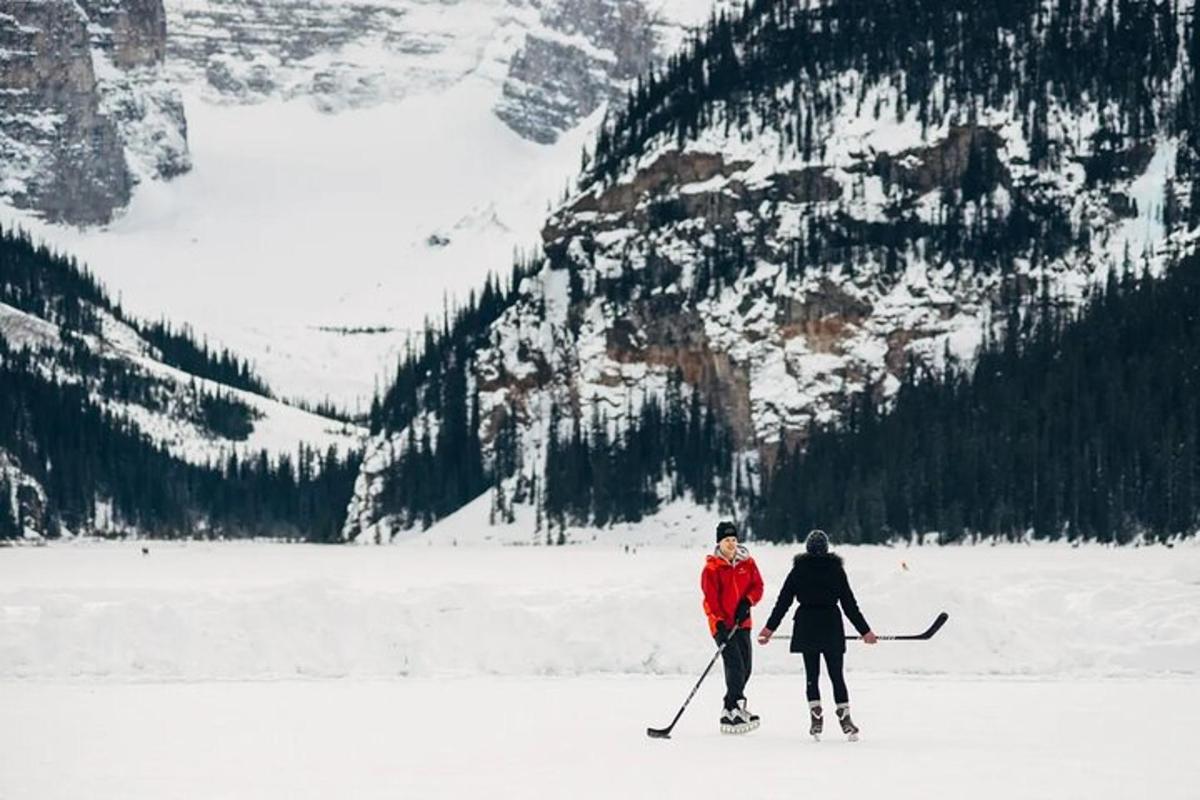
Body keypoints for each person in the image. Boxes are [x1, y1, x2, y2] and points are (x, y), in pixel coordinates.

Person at [757, 529, 878, 740]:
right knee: (836, 676)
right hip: (831, 625)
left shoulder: (798, 571)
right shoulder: (836, 570)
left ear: (807, 549)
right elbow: (850, 605)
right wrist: (865, 631)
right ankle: (845, 718)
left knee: (811, 677)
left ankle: (816, 717)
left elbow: (783, 603)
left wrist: (769, 629)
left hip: (807, 626)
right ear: (827, 548)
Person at [701, 520, 764, 734]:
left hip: (743, 623)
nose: (731, 543)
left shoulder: (747, 563)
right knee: (734, 663)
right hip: (721, 625)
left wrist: (748, 602)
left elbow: (758, 586)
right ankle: (738, 705)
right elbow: (710, 599)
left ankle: (728, 708)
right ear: (720, 543)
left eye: (734, 539)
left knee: (746, 667)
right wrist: (719, 621)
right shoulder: (712, 568)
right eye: (727, 540)